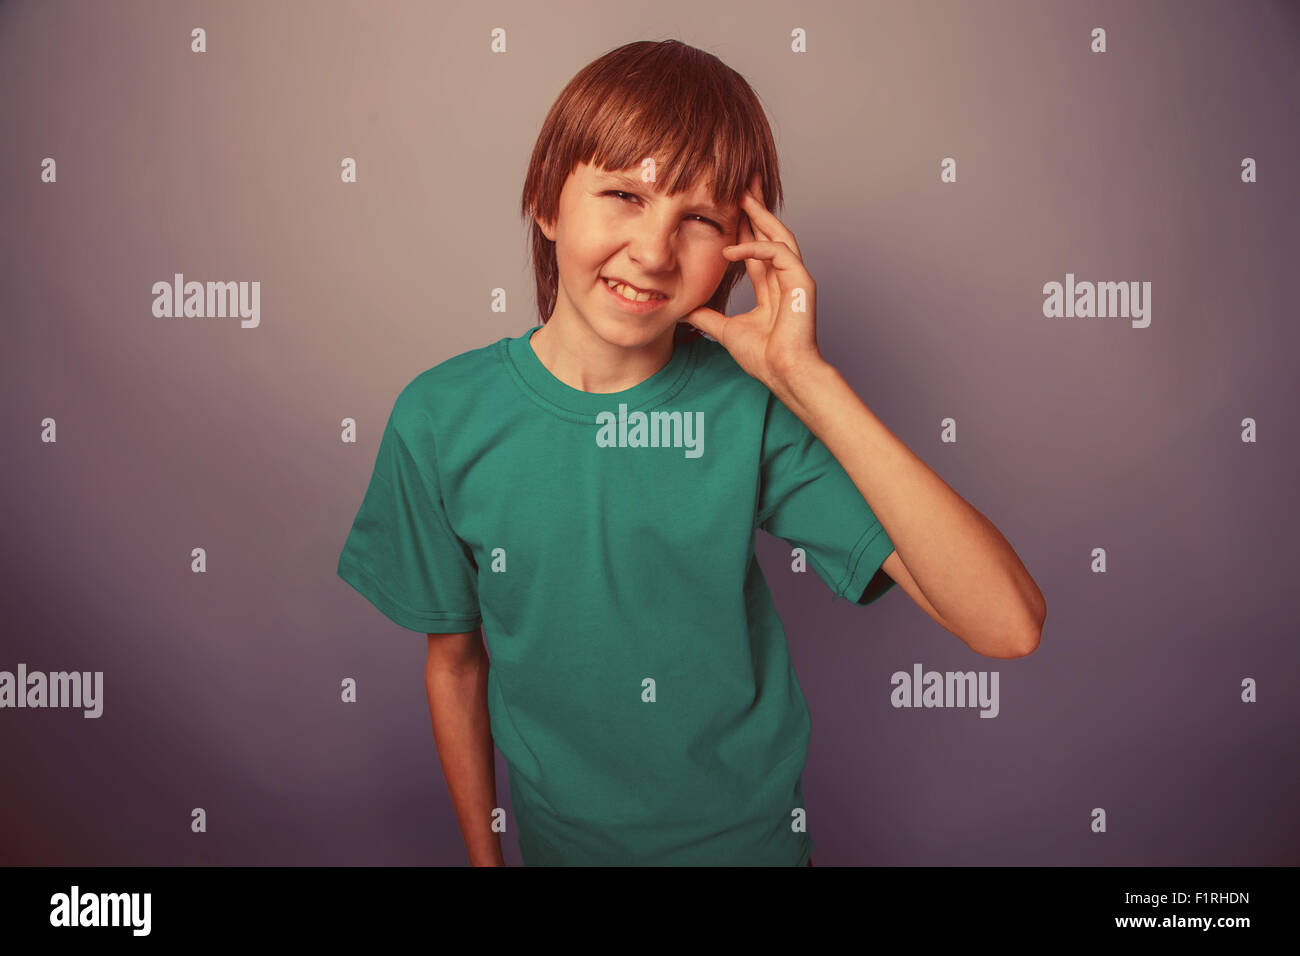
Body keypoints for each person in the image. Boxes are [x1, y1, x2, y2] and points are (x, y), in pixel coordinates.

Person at [337, 39, 1046, 867]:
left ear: (742, 246)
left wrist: (808, 380)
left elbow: (1008, 626)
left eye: (700, 219)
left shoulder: (751, 409)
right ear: (546, 200)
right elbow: (455, 664)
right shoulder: (440, 418)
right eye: (624, 196)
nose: (654, 250)